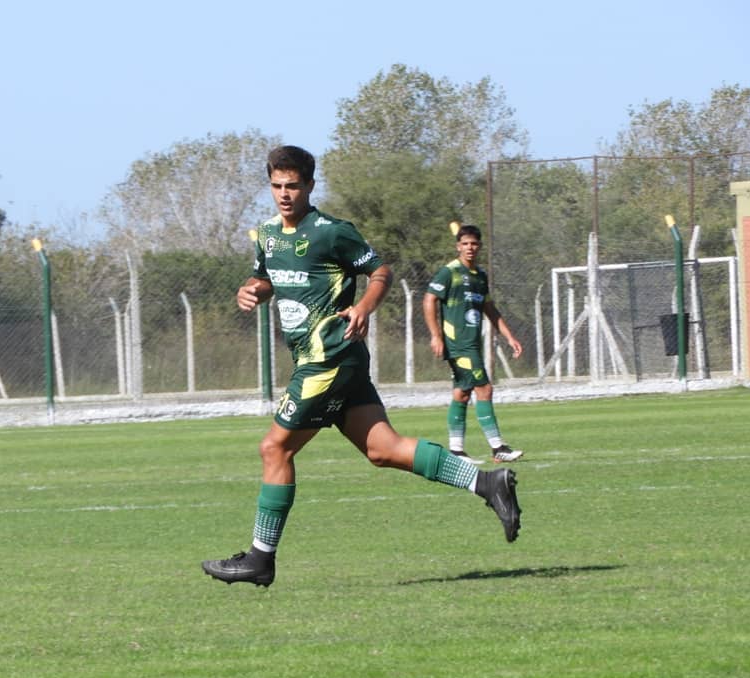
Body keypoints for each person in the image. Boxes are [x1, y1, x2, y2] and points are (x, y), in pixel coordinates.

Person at [201, 146, 521, 588]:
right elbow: (268, 277)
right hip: (330, 362)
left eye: (293, 186)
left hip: (327, 358)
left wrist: (365, 306)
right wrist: (252, 290)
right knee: (383, 449)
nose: (284, 194)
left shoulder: (332, 232)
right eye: (277, 186)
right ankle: (488, 483)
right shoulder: (268, 236)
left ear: (310, 186)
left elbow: (381, 270)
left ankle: (260, 558)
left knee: (275, 449)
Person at [422, 223, 524, 465]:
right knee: (485, 389)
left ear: (479, 246)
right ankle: (498, 447)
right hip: (459, 345)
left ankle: (456, 451)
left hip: (472, 344)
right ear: (458, 246)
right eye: (465, 244)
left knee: (462, 394)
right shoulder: (450, 272)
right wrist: (436, 335)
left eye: (474, 244)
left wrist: (509, 337)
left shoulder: (480, 276)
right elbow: (428, 300)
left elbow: (490, 309)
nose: (470, 248)